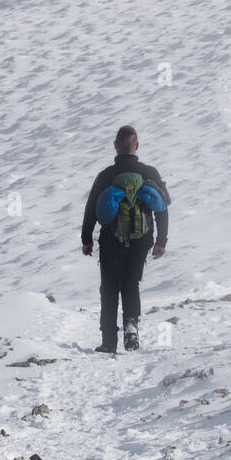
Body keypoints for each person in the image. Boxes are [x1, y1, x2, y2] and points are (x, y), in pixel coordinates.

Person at [81, 125, 170, 353]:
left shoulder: (106, 175)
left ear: (115, 146)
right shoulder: (150, 172)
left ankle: (109, 341)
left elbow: (91, 208)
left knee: (109, 288)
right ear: (136, 145)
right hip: (142, 240)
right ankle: (131, 326)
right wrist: (161, 241)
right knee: (131, 284)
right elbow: (161, 208)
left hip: (112, 239)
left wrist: (86, 239)